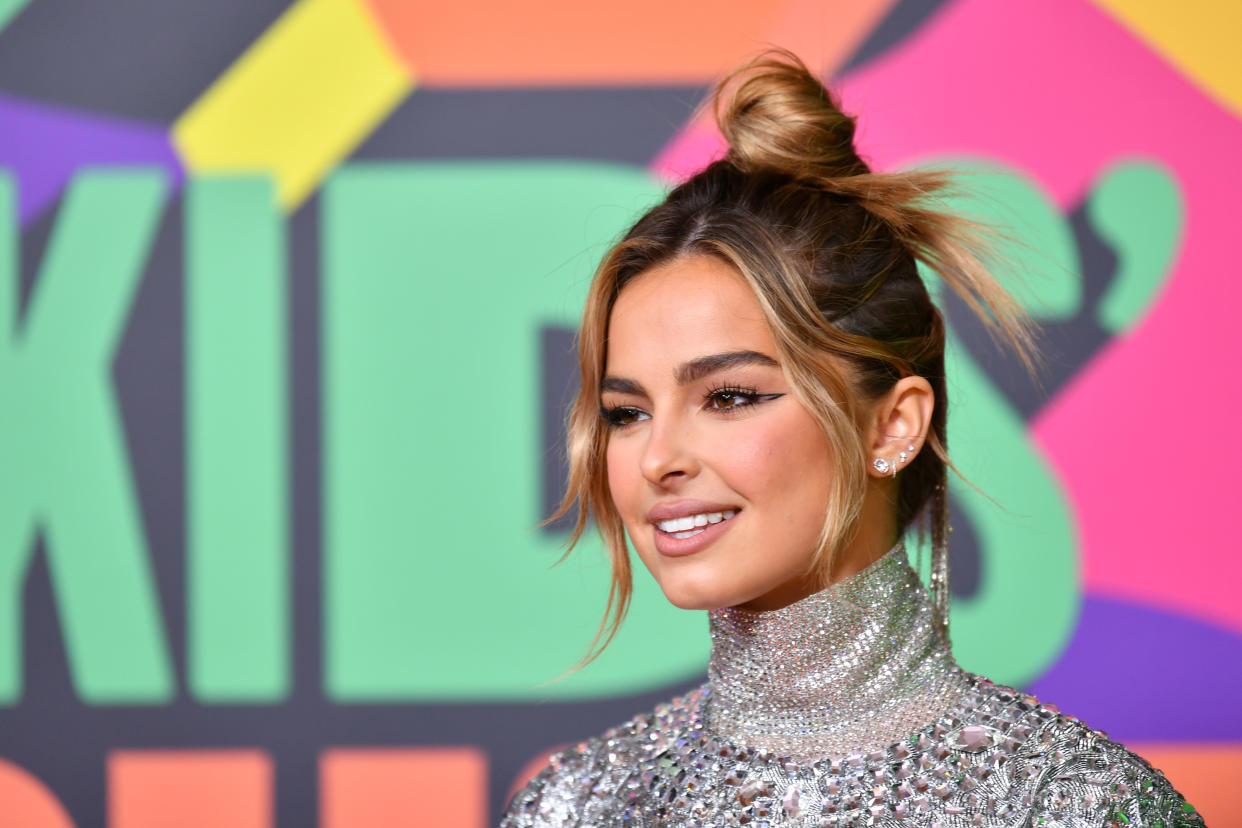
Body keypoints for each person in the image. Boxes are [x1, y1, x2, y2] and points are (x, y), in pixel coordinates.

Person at [500, 50, 1203, 827]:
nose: (659, 458)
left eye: (729, 397)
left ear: (894, 423)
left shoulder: (1069, 805)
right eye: (626, 413)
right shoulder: (576, 807)